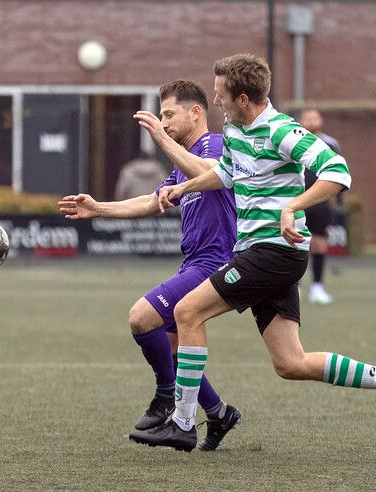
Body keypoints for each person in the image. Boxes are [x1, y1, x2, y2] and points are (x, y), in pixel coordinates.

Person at [129, 54, 376, 452]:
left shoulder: (280, 130)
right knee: (290, 363)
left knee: (186, 312)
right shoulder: (236, 131)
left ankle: (182, 423)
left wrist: (292, 207)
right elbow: (227, 175)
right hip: (260, 252)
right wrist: (184, 188)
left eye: (221, 95)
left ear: (244, 97)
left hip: (274, 252)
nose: (216, 102)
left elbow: (338, 171)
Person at [58, 80, 240, 451]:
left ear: (195, 113)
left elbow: (212, 171)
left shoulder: (214, 145)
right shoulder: (183, 161)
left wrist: (163, 140)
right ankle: (219, 413)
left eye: (169, 114)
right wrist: (99, 208)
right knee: (176, 349)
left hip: (216, 263)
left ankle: (166, 395)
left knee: (142, 317)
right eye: (160, 116)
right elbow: (152, 201)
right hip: (194, 262)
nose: (164, 122)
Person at [300, 108, 341, 304]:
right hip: (298, 201)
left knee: (319, 243)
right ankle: (294, 287)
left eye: (314, 117)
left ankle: (317, 287)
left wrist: (340, 199)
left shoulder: (330, 144)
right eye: (307, 117)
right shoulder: (294, 141)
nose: (311, 120)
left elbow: (338, 172)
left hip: (321, 202)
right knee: (297, 244)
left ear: (321, 120)